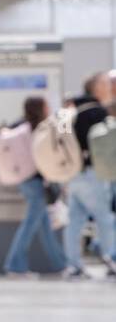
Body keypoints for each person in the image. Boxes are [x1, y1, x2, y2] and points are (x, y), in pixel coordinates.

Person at [2, 96, 67, 277]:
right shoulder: (42, 126)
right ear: (42, 108)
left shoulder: (17, 126)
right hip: (38, 181)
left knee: (44, 225)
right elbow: (59, 142)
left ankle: (60, 264)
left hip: (24, 180)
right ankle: (14, 265)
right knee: (29, 225)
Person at [61, 71, 116, 280]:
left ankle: (73, 264)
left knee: (74, 220)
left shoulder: (70, 110)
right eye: (104, 83)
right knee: (105, 218)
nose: (109, 87)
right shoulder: (96, 112)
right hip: (93, 173)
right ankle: (111, 258)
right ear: (95, 88)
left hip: (72, 173)